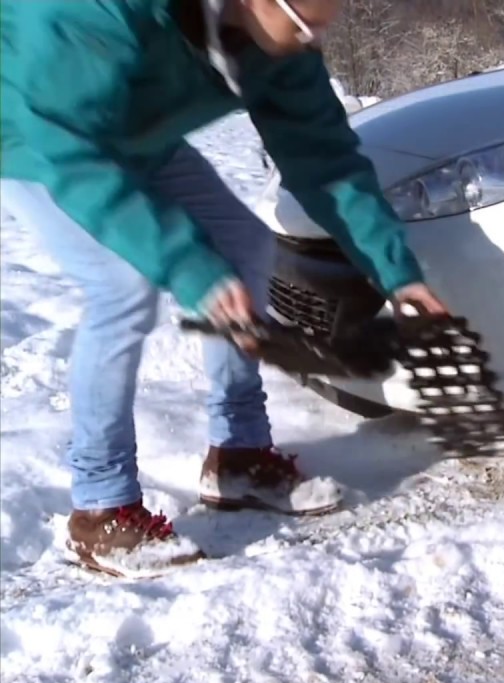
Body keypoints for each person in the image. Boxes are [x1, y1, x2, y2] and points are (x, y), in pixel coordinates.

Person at [0, 0, 449, 578]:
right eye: (307, 15)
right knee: (122, 288)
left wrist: (397, 273)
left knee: (245, 251)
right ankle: (100, 508)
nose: (317, 32)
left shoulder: (282, 38)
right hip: (35, 133)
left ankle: (238, 456)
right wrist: (191, 270)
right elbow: (66, 143)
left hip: (138, 134)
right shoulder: (96, 13)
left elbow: (325, 161)